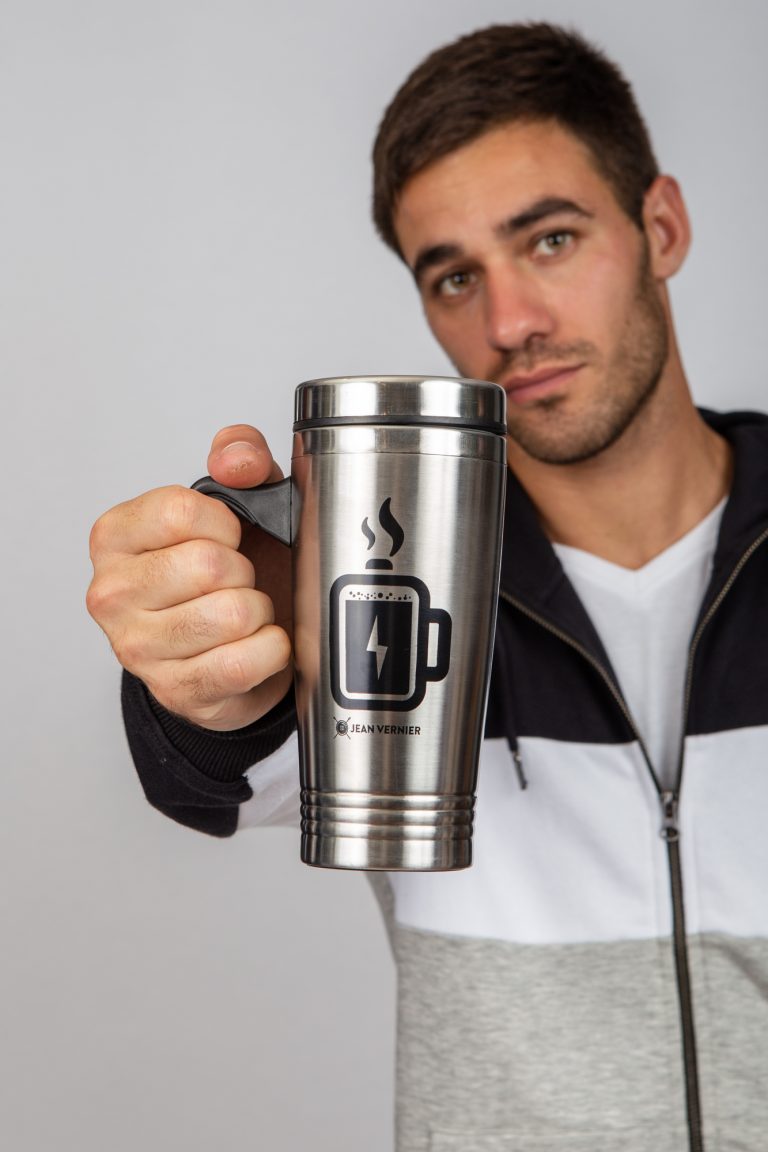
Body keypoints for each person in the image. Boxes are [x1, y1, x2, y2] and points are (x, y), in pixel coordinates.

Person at [87, 22, 768, 1152]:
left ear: (661, 227)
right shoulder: (383, 570)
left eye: (550, 239)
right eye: (453, 276)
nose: (509, 324)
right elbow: (216, 771)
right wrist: (208, 656)